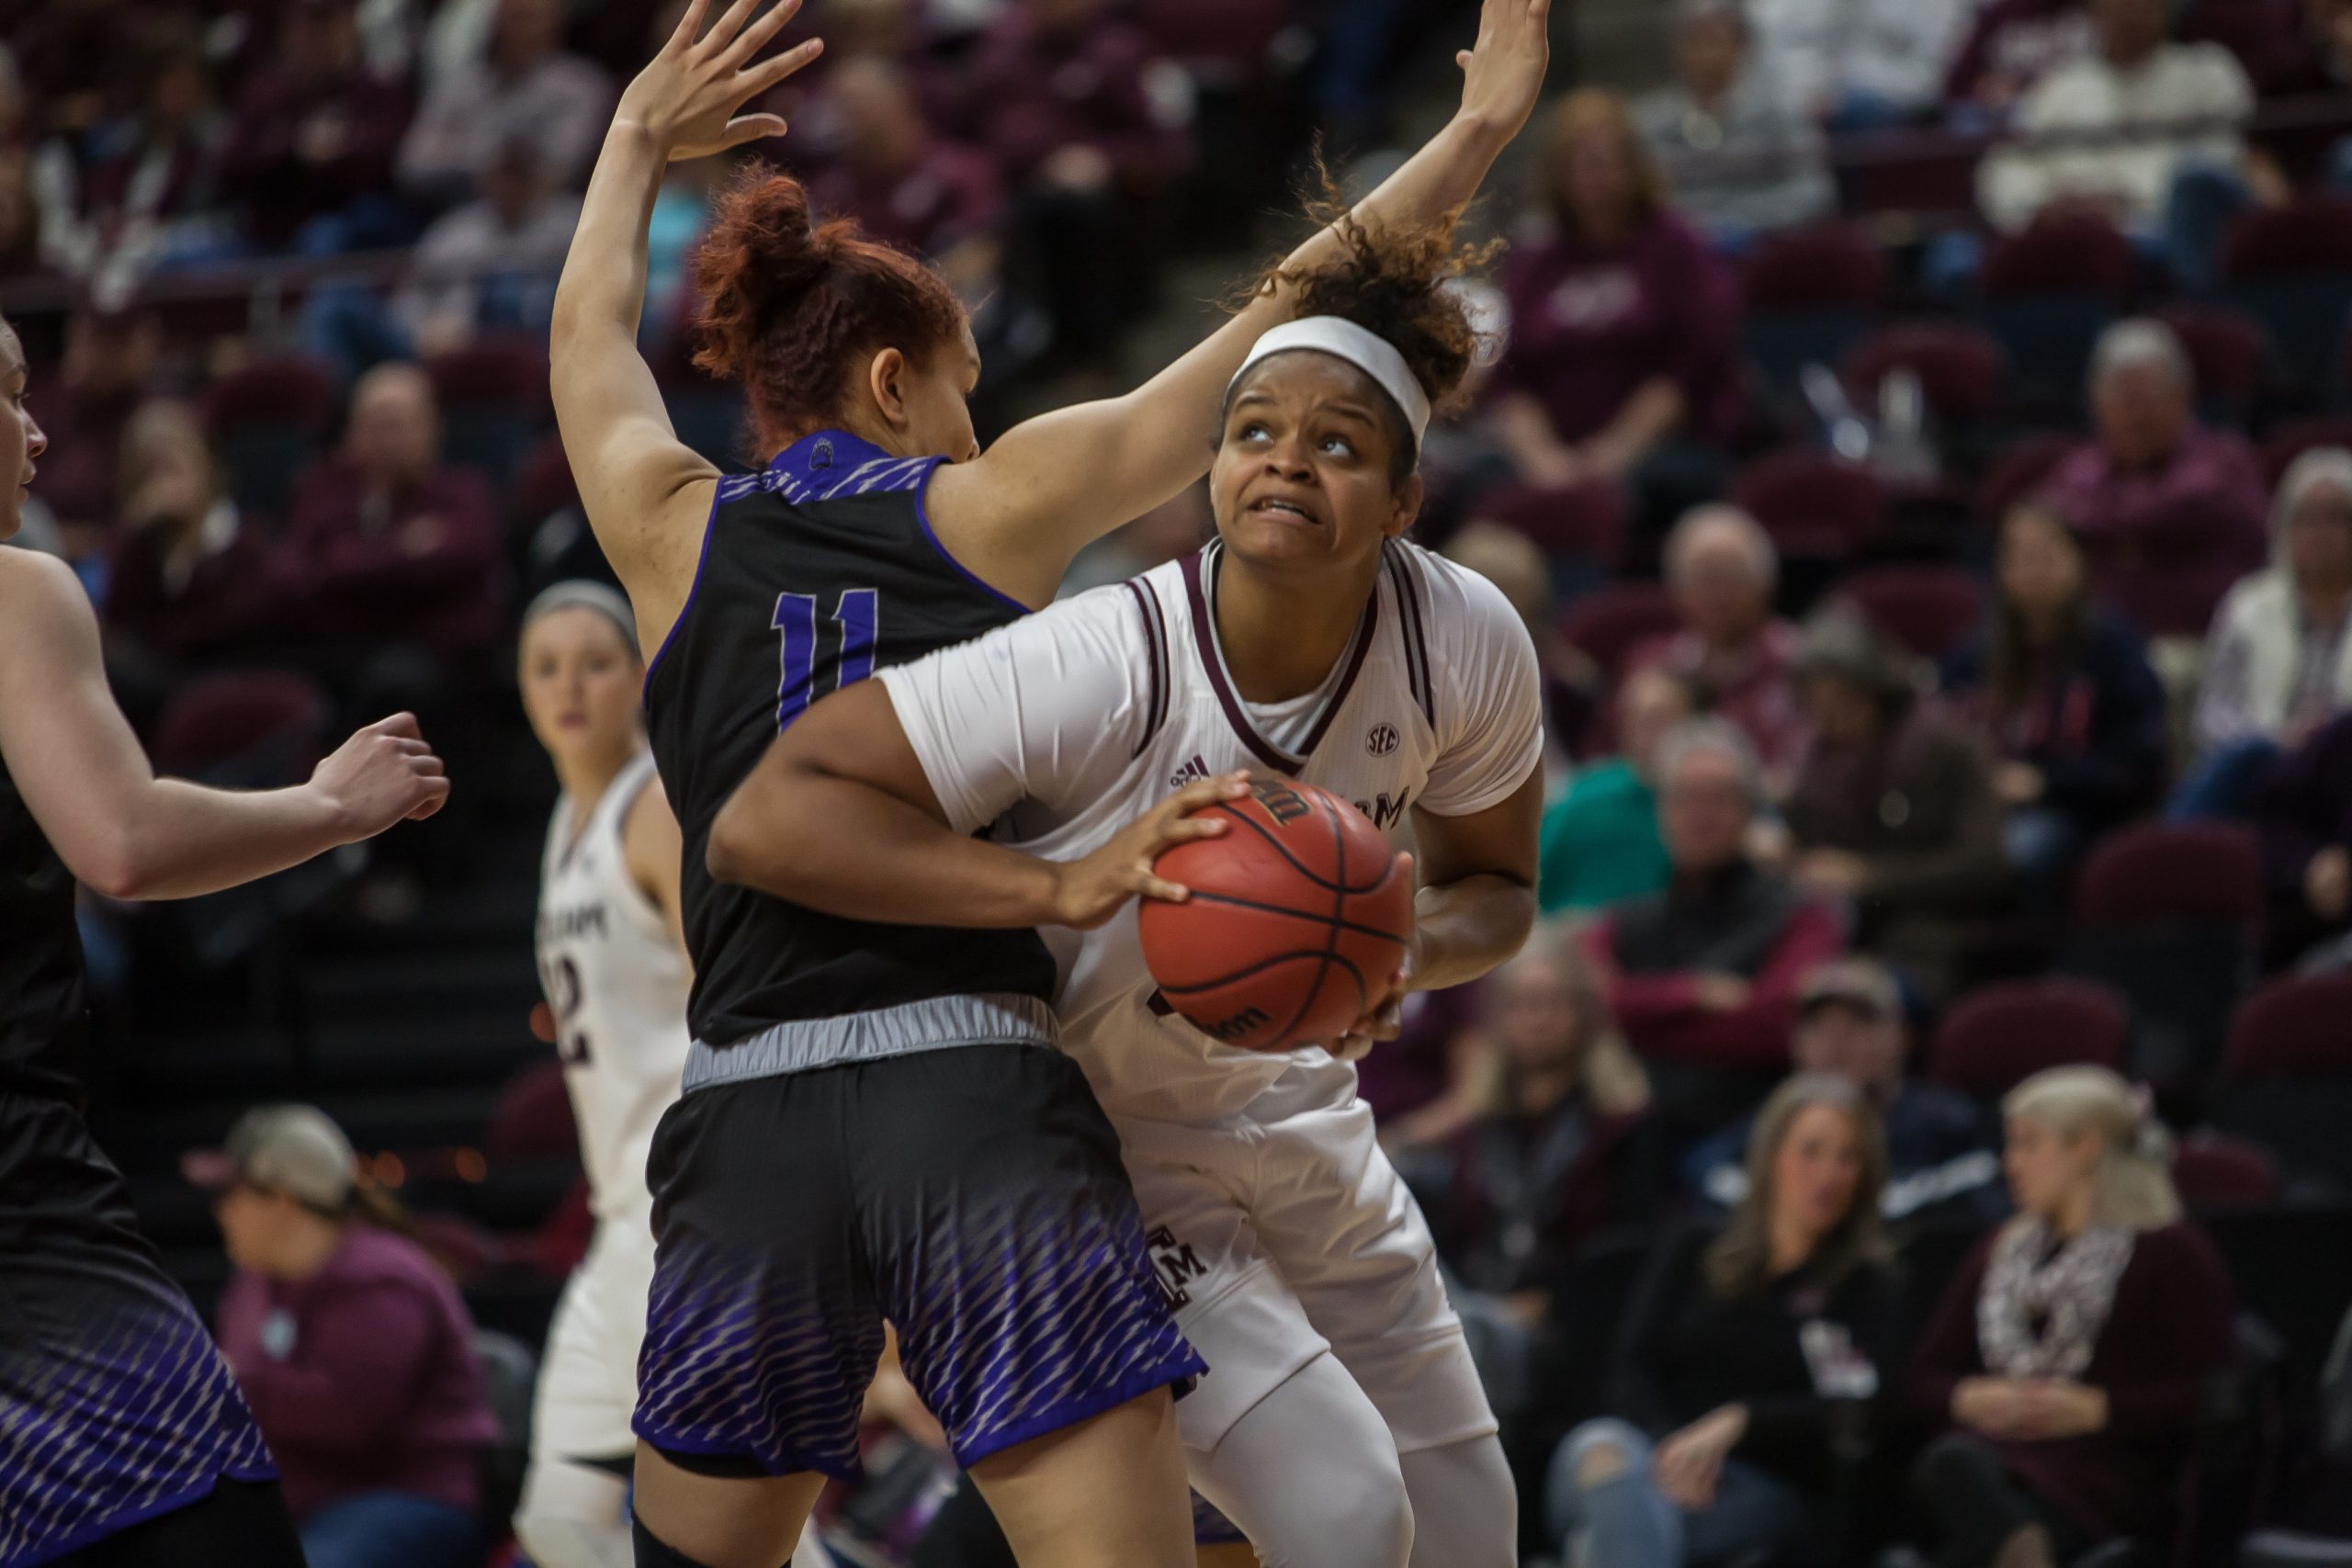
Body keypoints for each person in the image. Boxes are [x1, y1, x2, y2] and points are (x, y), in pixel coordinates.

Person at [545, 0, 1551, 1562]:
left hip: (750, 1092)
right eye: (959, 382)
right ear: (895, 388)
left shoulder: (670, 526)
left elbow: (586, 345)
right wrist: (1476, 136)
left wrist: (627, 144)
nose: (975, 412)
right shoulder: (991, 502)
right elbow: (1282, 314)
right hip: (975, 1083)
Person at [0, 310, 448, 1568]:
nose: (38, 431)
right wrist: (328, 805)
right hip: (22, 1207)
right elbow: (125, 843)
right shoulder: (15, 584)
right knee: (219, 1525)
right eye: (10, 393)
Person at [512, 582, 830, 1568]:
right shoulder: (564, 828)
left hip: (688, 1211)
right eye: (545, 667)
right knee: (560, 1522)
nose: (569, 687)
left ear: (639, 679)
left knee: (747, 1532)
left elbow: (735, 996)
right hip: (619, 1223)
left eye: (595, 662)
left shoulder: (653, 808)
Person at [1547, 1074, 1903, 1568]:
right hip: (1645, 1455)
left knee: (1610, 1532)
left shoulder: (1863, 1285)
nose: (1829, 1173)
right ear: (1771, 1154)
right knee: (1600, 1448)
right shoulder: (1694, 1244)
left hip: (1757, 1483)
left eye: (1849, 1158)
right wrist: (1673, 1449)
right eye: (1812, 1150)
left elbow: (1852, 1410)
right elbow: (1630, 1366)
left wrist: (1741, 1422)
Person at [1906, 1066, 2237, 1567]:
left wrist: (2099, 1410)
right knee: (1952, 1465)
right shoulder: (1996, 1250)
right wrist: (1970, 1397)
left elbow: (2218, 1397)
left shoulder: (2171, 1252)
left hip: (2103, 1475)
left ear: (2084, 1147)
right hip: (1988, 1462)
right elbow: (1920, 1380)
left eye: (2027, 1144)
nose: (2009, 1164)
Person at [190, 1104, 499, 1568]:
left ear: (282, 1200)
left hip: (405, 1496)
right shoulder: (251, 1283)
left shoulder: (384, 1278)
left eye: (230, 1194)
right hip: (297, 1502)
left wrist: (226, 1380)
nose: (220, 1213)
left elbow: (352, 1418)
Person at [1489, 90, 1744, 542]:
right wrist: (1544, 461)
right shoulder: (1536, 260)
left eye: (1603, 161)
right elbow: (1512, 380)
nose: (1592, 177)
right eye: (1578, 163)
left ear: (1634, 166)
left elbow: (1689, 369)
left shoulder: (1676, 247)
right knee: (1477, 486)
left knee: (1645, 493)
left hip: (1657, 449)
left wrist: (1610, 457)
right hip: (1554, 453)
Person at [1585, 718, 1845, 1128]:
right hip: (1631, 1139)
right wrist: (1691, 995)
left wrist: (1634, 1024)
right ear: (1661, 812)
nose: (1701, 816)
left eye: (1719, 799)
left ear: (1750, 809)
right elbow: (1583, 1006)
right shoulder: (1623, 921)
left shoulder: (1803, 914)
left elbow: (1781, 1028)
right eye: (1685, 798)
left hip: (1751, 1127)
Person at [1942, 502, 2169, 892]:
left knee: (2016, 851)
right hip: (1979, 809)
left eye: (2046, 552)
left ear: (2078, 561)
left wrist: (2045, 781)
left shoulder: (2113, 648)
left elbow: (2140, 761)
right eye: (2019, 554)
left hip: (2074, 812)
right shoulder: (1973, 655)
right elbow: (1935, 737)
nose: (2033, 566)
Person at [1682, 957, 2006, 1229]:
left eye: (1859, 1022)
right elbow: (1704, 1174)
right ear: (1796, 1044)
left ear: (1903, 1037)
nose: (1836, 1042)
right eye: (1819, 1026)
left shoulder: (1955, 1127)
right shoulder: (1765, 1131)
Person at [1782, 611, 2010, 998]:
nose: (1832, 716)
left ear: (1876, 691)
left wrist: (1868, 877)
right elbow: (1804, 858)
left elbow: (1984, 864)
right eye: (1818, 704)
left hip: (1926, 938)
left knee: (1845, 1004)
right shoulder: (1814, 768)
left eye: (1844, 699)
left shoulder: (1946, 751)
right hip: (1830, 939)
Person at [1439, 925, 1659, 1304]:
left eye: (1551, 1001)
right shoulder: (1476, 1129)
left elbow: (1631, 1252)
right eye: (1519, 1003)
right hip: (1474, 1305)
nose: (1536, 1019)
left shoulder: (1623, 1126)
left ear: (1585, 1011)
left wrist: (1551, 1305)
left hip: (1577, 1319)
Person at [1977, 0, 2257, 290]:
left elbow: (2218, 162)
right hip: (2063, 234)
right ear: (2093, 12)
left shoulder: (2206, 73)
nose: (2127, 12)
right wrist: (2042, 207)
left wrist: (2121, 200)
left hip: (2158, 232)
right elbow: (2004, 167)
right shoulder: (2063, 84)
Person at [2038, 318, 2269, 640]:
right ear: (2096, 403)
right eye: (2123, 399)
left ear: (2183, 397)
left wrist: (2107, 527)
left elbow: (2191, 512)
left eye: (2148, 399)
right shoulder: (2076, 471)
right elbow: (2045, 528)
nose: (2137, 415)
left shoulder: (2225, 462)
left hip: (2203, 645)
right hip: (2094, 655)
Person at [278, 362, 503, 669]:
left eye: (396, 423)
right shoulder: (321, 491)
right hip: (336, 654)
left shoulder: (465, 492)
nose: (385, 437)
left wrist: (354, 559)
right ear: (351, 433)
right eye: (374, 424)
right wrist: (404, 549)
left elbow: (462, 558)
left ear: (432, 428)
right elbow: (301, 573)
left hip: (435, 659)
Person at [2183, 449, 2352, 818]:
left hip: (2345, 772)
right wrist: (2278, 738)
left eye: (2335, 518)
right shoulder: (2248, 605)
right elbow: (2214, 717)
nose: (2319, 533)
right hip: (2265, 765)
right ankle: (2168, 849)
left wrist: (2324, 741)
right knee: (2245, 759)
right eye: (2304, 518)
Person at [1630, 505, 1807, 789]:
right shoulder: (1654, 666)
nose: (1718, 595)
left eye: (1732, 578)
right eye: (1704, 579)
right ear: (1677, 592)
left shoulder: (1800, 661)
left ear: (1767, 585)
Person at [1634, 0, 1835, 245]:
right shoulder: (1652, 123)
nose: (1704, 53)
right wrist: (1696, 227)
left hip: (1766, 251)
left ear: (1741, 47)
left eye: (1714, 40)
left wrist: (1747, 222)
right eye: (1693, 40)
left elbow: (1812, 191)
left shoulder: (1780, 115)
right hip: (1680, 253)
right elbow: (1643, 197)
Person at [220, 0, 413, 254]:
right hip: (265, 232)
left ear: (348, 29)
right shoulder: (266, 96)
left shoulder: (378, 95)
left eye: (321, 28)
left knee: (327, 235)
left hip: (345, 227)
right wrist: (293, 149)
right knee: (183, 257)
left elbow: (387, 163)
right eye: (300, 29)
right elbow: (230, 167)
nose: (309, 42)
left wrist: (338, 153)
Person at [399, 0, 616, 206]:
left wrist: (461, 151)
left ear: (556, 25)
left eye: (527, 18)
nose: (516, 29)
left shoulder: (581, 86)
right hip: (464, 209)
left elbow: (562, 165)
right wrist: (491, 164)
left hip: (549, 209)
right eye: (509, 17)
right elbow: (413, 165)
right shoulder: (460, 88)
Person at [1539, 665, 1694, 914]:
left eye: (1660, 720)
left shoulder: (1702, 802)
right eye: (1639, 722)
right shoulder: (1582, 799)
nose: (1649, 737)